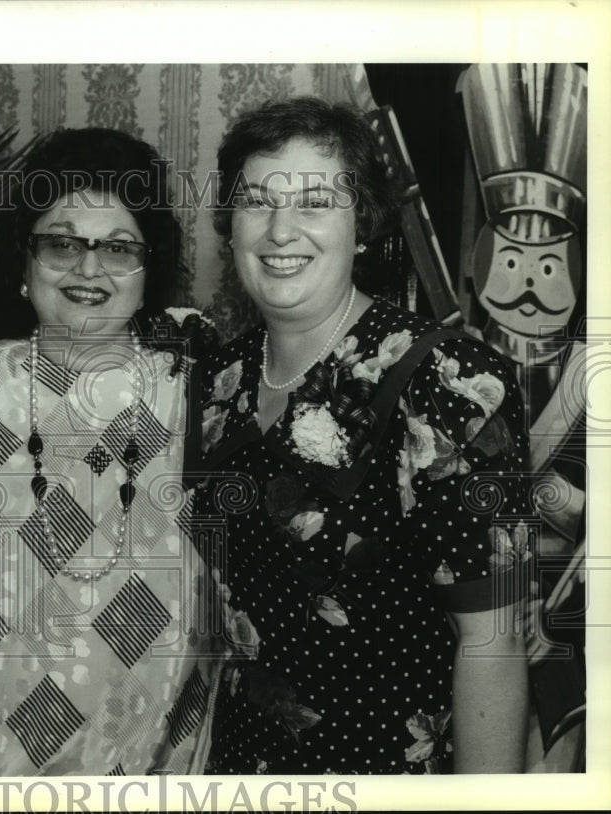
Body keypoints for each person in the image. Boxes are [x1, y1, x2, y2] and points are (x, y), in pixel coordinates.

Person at [194, 96, 532, 774]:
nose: (280, 230)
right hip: (240, 765)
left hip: (386, 771)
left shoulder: (448, 381)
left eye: (315, 202)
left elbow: (491, 643)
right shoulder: (217, 379)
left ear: (364, 225)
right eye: (257, 201)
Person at [0, 127, 213, 776]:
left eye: (117, 247)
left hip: (140, 744)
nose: (89, 269)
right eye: (61, 243)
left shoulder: (195, 392)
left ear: (149, 267)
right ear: (25, 263)